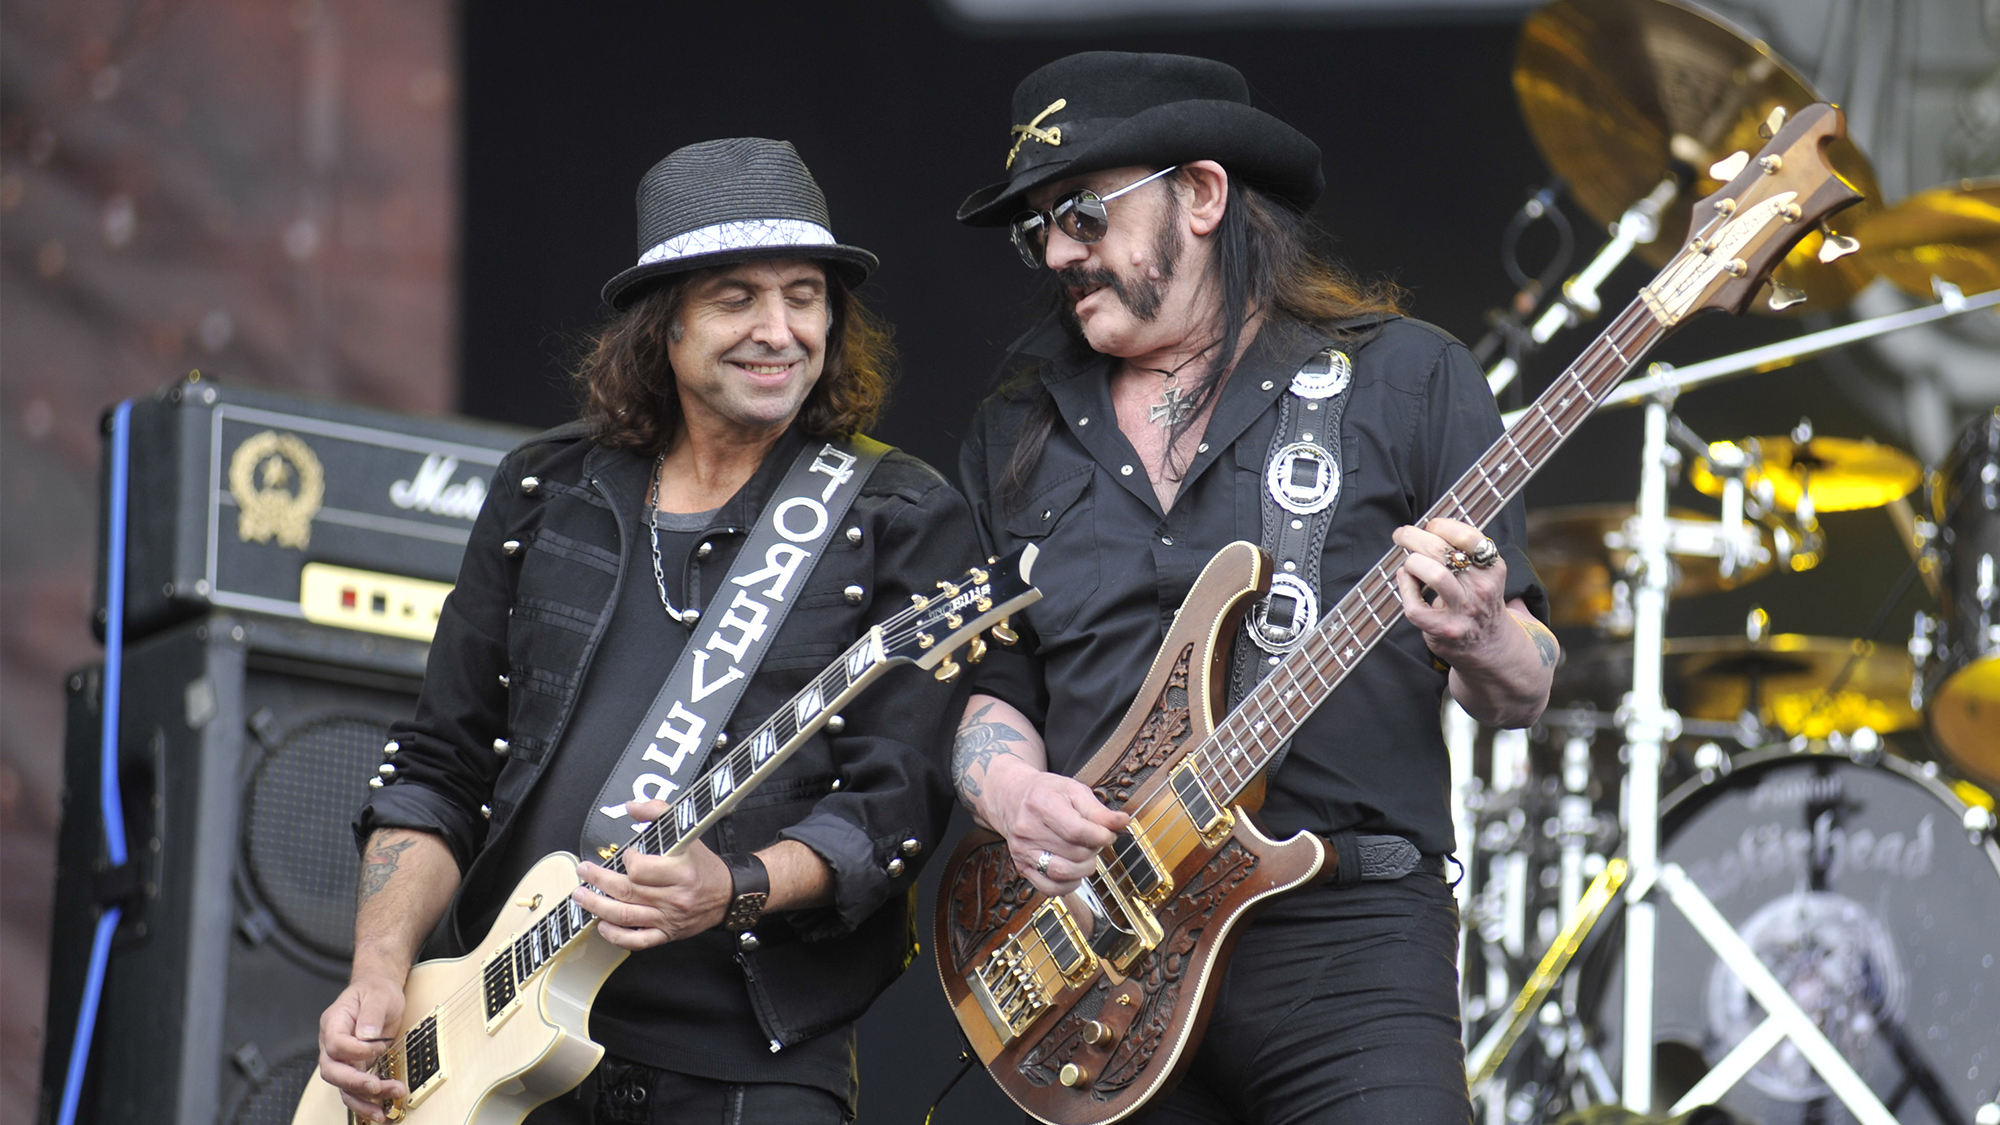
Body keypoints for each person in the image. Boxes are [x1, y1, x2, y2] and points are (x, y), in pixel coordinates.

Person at [949, 53, 1559, 1124]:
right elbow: (993, 681)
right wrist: (1008, 793)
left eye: (1082, 213)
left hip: (1346, 941)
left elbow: (1525, 683)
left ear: (1200, 194)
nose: (1056, 252)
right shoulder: (1018, 427)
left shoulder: (1405, 378)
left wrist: (1479, 636)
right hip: (1102, 954)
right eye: (1035, 228)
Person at [315, 138, 976, 1125]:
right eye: (736, 298)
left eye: (804, 296)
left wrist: (735, 886)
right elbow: (438, 764)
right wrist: (376, 974)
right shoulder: (546, 489)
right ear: (662, 324)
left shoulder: (898, 514)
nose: (779, 330)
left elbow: (894, 807)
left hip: (745, 1065)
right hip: (491, 1040)